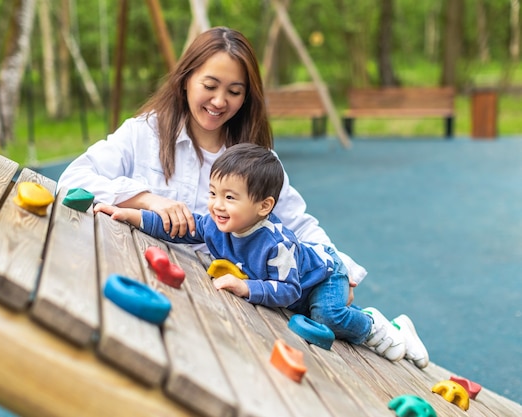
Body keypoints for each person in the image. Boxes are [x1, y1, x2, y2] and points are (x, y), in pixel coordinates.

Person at [56, 26, 367, 294]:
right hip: (134, 270)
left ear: (246, 97)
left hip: (218, 299)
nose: (219, 101)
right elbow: (72, 181)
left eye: (234, 91)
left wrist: (341, 273)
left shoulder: (254, 161)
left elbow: (297, 223)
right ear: (186, 80)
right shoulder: (146, 133)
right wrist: (148, 200)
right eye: (209, 86)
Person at [95, 143, 429, 368]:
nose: (216, 205)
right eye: (213, 193)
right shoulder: (216, 224)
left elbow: (288, 290)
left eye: (229, 197)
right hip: (301, 284)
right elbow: (178, 228)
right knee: (315, 313)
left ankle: (373, 326)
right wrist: (134, 216)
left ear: (263, 206)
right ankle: (394, 325)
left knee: (327, 315)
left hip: (324, 275)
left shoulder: (275, 244)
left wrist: (247, 288)